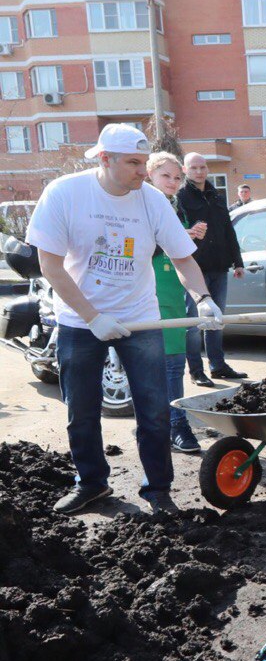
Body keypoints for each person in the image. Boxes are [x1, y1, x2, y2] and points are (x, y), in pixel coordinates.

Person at [25, 124, 222, 515]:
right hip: (81, 322)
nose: (142, 171)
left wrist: (203, 298)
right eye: (133, 163)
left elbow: (182, 256)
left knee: (153, 410)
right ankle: (92, 484)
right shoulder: (66, 193)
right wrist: (92, 316)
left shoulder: (151, 200)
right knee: (81, 410)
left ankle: (158, 491)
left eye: (143, 162)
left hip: (139, 320)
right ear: (104, 159)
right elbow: (49, 263)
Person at [147, 151, 202, 453]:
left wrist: (188, 237)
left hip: (173, 296)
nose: (172, 181)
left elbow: (181, 256)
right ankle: (169, 426)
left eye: (177, 177)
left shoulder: (174, 208)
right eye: (165, 176)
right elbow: (145, 247)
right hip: (148, 299)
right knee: (155, 369)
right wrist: (179, 235)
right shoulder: (141, 206)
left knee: (174, 366)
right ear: (150, 175)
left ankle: (176, 425)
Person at [176, 152, 247, 386]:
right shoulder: (181, 196)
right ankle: (196, 370)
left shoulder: (216, 195)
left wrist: (237, 261)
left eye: (203, 167)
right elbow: (175, 234)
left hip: (219, 266)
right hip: (193, 269)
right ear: (185, 170)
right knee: (194, 323)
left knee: (216, 319)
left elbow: (228, 230)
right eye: (194, 168)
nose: (199, 171)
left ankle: (217, 366)